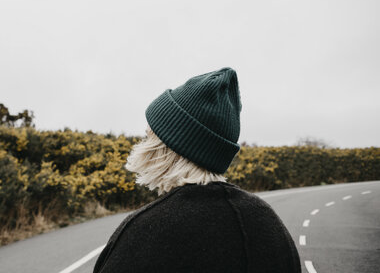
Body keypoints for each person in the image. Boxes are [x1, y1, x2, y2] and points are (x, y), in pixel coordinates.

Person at [93, 67, 301, 273]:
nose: (143, 140)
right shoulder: (270, 227)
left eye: (150, 135)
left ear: (169, 147)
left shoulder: (143, 234)